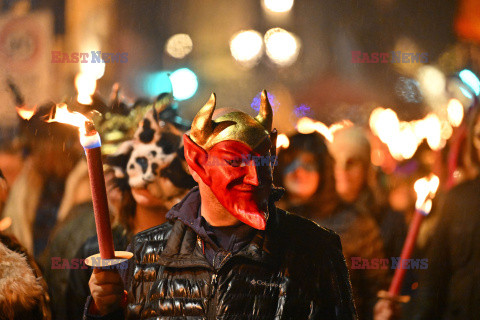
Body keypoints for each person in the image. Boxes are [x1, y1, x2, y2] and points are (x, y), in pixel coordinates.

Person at [85, 90, 357, 319]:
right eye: (235, 162)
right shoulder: (147, 252)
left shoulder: (316, 250)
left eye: (261, 161)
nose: (254, 177)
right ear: (197, 161)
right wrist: (105, 309)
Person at [63, 100, 196, 320]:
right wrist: (100, 309)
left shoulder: (197, 248)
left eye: (163, 154)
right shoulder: (94, 251)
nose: (149, 170)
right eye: (141, 157)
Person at [275, 132, 387, 320]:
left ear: (323, 169)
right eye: (290, 162)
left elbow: (376, 287)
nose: (298, 171)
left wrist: (380, 309)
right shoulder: (268, 219)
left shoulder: (355, 223)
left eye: (308, 163)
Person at [328, 126, 407, 261]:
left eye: (351, 162)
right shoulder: (318, 215)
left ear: (366, 169)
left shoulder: (389, 221)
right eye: (336, 161)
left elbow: (402, 269)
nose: (342, 170)